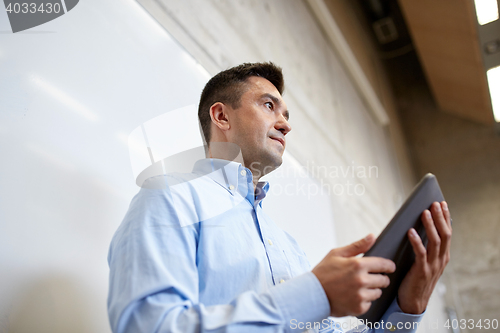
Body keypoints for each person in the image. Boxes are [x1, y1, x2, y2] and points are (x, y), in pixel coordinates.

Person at [107, 62, 452, 333]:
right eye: (269, 106)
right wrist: (316, 293)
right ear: (221, 115)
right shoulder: (169, 197)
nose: (285, 124)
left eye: (286, 115)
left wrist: (407, 308)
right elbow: (150, 326)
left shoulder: (288, 245)